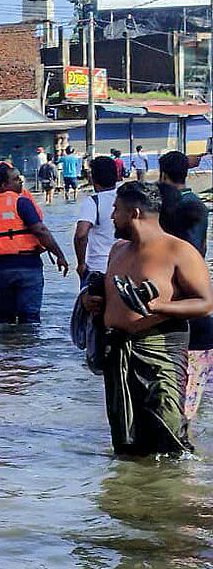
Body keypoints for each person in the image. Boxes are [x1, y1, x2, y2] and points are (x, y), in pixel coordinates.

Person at [82, 182, 213, 456]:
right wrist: (91, 300)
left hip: (160, 348)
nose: (111, 216)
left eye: (116, 210)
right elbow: (114, 295)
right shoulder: (117, 249)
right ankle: (132, 495)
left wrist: (161, 307)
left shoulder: (179, 251)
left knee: (168, 433)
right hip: (118, 352)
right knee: (126, 438)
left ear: (135, 213)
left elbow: (205, 302)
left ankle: (175, 493)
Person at [0, 166, 70, 324]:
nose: (20, 182)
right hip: (28, 267)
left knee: (4, 318)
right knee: (29, 318)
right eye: (16, 179)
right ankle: (27, 347)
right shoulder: (22, 202)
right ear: (3, 185)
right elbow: (41, 230)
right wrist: (60, 256)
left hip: (0, 270)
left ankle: (5, 347)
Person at [157, 150, 213, 442]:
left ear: (162, 174)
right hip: (196, 311)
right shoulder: (196, 207)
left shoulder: (161, 210)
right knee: (187, 403)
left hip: (165, 311)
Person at [74, 156, 119, 289]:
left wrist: (81, 263)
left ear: (93, 179)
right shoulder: (126, 197)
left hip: (98, 267)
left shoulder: (93, 202)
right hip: (126, 265)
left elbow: (81, 235)